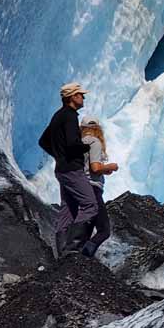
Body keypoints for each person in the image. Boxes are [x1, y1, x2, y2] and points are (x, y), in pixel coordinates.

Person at [39, 81, 99, 258]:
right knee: (90, 204)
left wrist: (59, 155)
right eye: (81, 95)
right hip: (72, 169)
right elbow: (73, 144)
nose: (83, 97)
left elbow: (43, 141)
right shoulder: (70, 116)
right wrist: (86, 148)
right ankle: (73, 248)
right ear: (72, 97)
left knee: (68, 209)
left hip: (62, 169)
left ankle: (61, 253)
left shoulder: (58, 116)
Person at [78, 118, 118, 257]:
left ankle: (77, 258)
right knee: (104, 230)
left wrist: (103, 170)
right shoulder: (94, 142)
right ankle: (85, 257)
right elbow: (95, 168)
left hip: (80, 187)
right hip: (93, 189)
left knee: (86, 228)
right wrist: (110, 167)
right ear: (97, 129)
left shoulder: (79, 143)